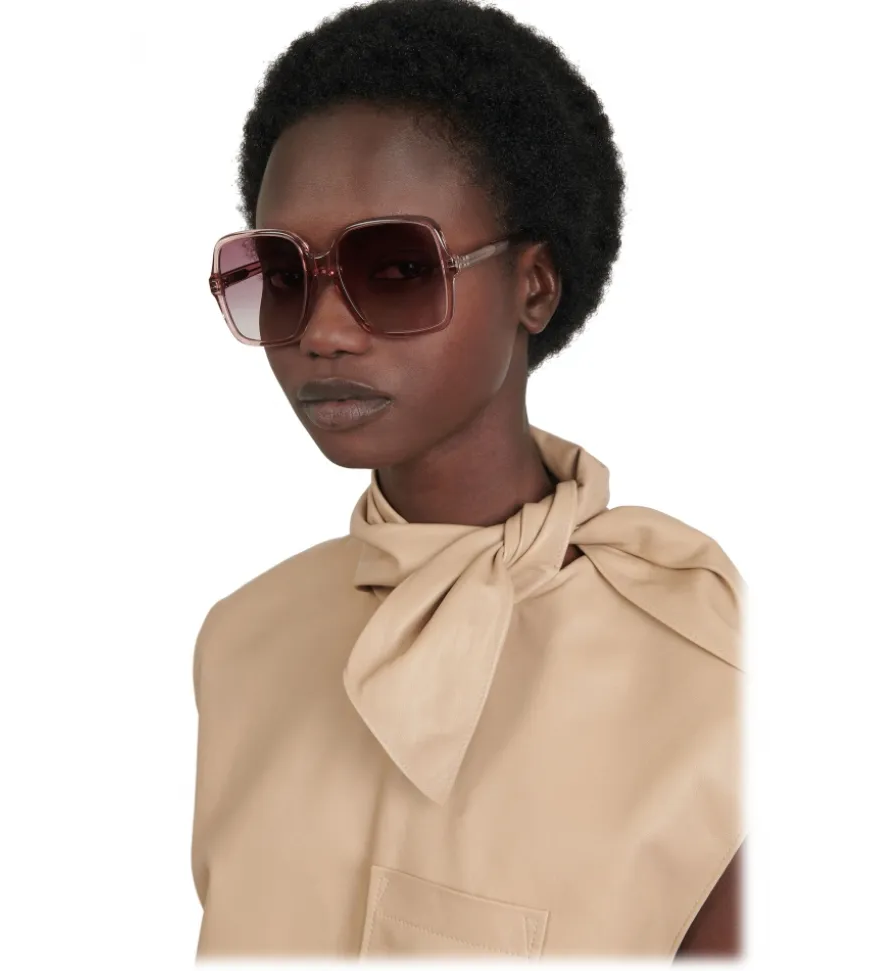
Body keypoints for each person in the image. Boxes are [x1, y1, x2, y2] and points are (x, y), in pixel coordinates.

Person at [192, 0, 744, 959]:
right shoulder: (242, 640)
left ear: (534, 284)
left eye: (396, 268)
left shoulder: (711, 683)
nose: (322, 330)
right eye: (281, 274)